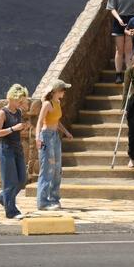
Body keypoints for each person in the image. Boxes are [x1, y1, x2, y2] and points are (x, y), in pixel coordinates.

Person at [34, 79, 74, 211]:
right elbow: (39, 122)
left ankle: (54, 199)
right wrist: (37, 139)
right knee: (47, 169)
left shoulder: (58, 103)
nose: (64, 92)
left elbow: (57, 121)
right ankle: (43, 202)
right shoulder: (47, 104)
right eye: (63, 89)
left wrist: (66, 132)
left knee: (57, 169)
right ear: (57, 91)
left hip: (55, 137)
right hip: (46, 137)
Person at [0, 83, 30, 220]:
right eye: (19, 100)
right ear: (12, 98)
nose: (21, 103)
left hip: (17, 148)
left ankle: (3, 197)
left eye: (22, 100)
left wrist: (23, 127)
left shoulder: (19, 112)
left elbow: (17, 127)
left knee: (21, 180)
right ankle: (11, 211)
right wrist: (14, 128)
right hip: (6, 149)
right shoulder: (3, 113)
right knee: (10, 181)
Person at [102, 0, 134, 84]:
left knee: (129, 49)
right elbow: (112, 8)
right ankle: (118, 74)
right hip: (119, 19)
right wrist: (118, 19)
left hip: (131, 19)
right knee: (119, 49)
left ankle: (129, 74)